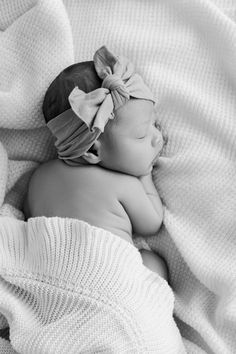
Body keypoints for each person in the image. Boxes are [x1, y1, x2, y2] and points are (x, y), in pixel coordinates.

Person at [24, 46, 168, 279]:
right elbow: (152, 223)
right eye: (142, 135)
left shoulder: (39, 176)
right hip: (106, 280)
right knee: (152, 262)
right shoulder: (124, 184)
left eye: (155, 124)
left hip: (49, 276)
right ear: (92, 149)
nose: (157, 136)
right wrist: (145, 175)